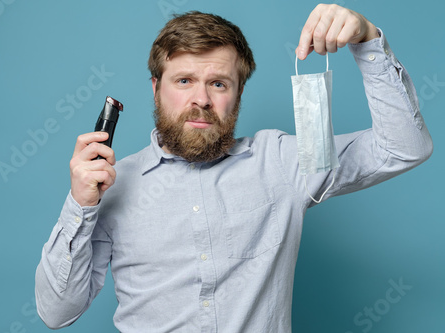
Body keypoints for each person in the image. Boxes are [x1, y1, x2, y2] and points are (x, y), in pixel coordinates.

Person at [35, 4, 433, 332]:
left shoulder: (282, 162)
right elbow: (57, 313)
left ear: (239, 93)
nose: (201, 99)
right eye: (185, 80)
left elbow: (403, 148)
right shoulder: (112, 184)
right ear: (156, 88)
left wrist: (367, 40)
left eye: (219, 84)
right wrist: (79, 205)